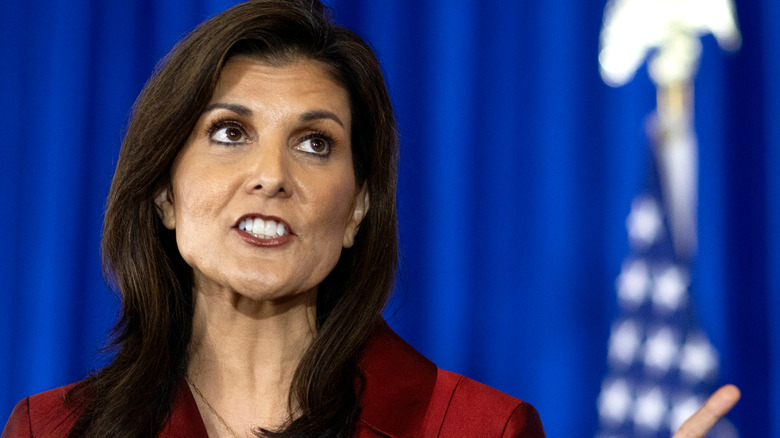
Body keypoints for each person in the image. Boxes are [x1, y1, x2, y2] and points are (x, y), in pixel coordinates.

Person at [0, 1, 739, 437]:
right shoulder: (52, 429)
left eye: (315, 143)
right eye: (229, 132)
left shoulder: (475, 430)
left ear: (356, 210)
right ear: (162, 189)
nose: (271, 175)